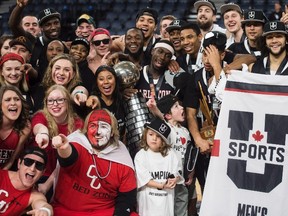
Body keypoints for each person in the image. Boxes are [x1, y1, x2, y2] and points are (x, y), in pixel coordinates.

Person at [51, 109, 137, 216]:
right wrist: (63, 148)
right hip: (69, 210)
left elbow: (127, 198)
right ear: (86, 130)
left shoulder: (122, 156)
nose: (97, 132)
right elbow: (68, 158)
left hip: (103, 212)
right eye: (92, 126)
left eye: (104, 127)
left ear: (112, 133)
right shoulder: (78, 143)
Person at [184, 31, 227, 197]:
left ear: (222, 54)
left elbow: (249, 58)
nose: (207, 59)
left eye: (213, 54)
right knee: (207, 186)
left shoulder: (231, 73)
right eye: (205, 53)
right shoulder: (195, 77)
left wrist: (218, 67)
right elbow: (190, 114)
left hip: (228, 141)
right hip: (205, 142)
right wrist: (198, 139)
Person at [31, 84, 83, 200]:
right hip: (37, 173)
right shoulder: (41, 116)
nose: (55, 104)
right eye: (50, 101)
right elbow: (39, 127)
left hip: (62, 176)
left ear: (68, 102)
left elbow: (68, 162)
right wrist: (43, 134)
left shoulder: (78, 124)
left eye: (60, 100)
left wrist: (47, 185)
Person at [157, 94, 197, 216]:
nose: (181, 108)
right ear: (168, 115)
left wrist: (191, 172)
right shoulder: (166, 129)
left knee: (182, 204)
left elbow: (189, 155)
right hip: (170, 177)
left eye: (180, 105)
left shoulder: (185, 131)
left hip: (183, 177)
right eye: (176, 106)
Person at [134, 117, 182, 216]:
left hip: (165, 204)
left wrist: (175, 179)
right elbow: (145, 181)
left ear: (164, 140)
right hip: (148, 206)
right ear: (145, 134)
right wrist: (162, 185)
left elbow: (177, 173)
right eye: (151, 134)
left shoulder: (171, 154)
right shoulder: (141, 155)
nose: (154, 138)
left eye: (158, 136)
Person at [0, 146, 53, 216]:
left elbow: (44, 205)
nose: (32, 169)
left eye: (39, 165)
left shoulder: (35, 196)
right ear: (19, 163)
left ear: (43, 172)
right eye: (28, 162)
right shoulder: (2, 176)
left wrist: (45, 211)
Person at [86, 65, 125, 141]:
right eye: (101, 79)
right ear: (97, 83)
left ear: (115, 80)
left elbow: (124, 132)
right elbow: (91, 101)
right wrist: (91, 100)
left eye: (109, 78)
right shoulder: (95, 101)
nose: (106, 82)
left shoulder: (120, 99)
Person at [0, 85, 31, 170]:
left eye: (17, 99)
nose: (13, 103)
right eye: (7, 100)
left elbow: (11, 160)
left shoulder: (25, 126)